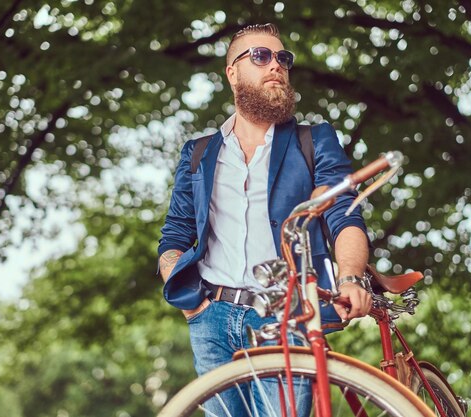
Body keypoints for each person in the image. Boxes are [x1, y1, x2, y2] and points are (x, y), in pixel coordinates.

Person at [158, 23, 372, 416]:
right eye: (260, 56)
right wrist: (190, 303)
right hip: (211, 319)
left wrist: (351, 277)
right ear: (232, 72)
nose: (275, 65)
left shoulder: (314, 139)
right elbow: (175, 234)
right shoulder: (198, 154)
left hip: (286, 317)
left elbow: (344, 215)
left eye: (282, 58)